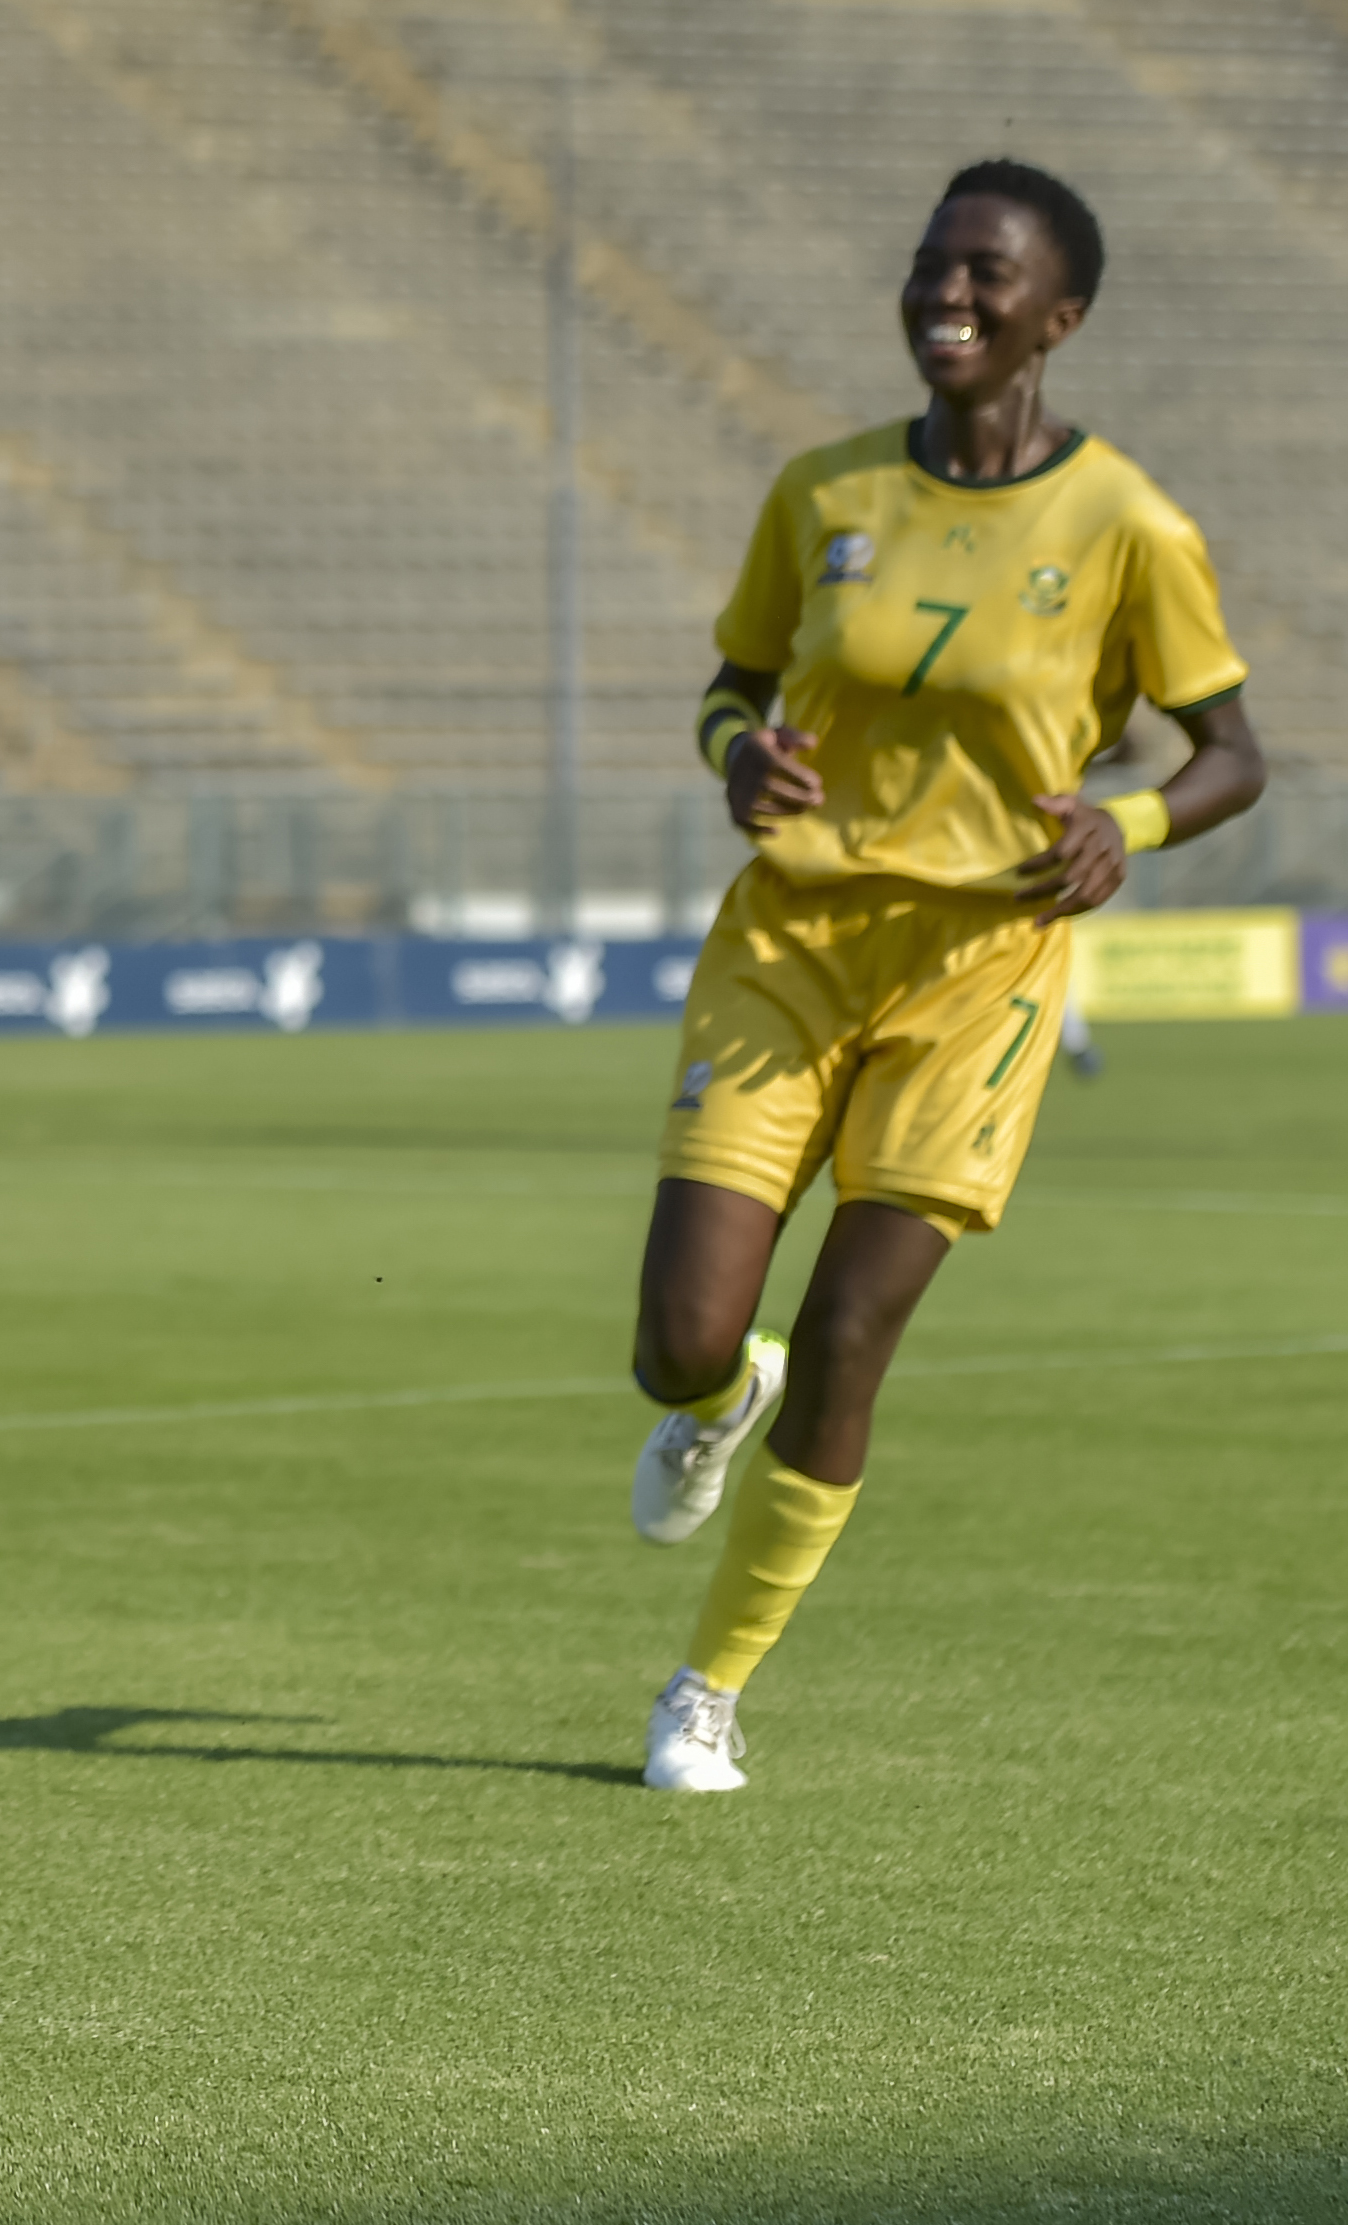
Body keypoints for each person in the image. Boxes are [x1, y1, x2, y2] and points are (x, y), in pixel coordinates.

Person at [625, 159, 1263, 1793]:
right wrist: (737, 760)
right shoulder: (822, 494)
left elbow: (1230, 755)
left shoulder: (1126, 523)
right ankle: (717, 1394)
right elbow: (727, 690)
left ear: (1059, 314)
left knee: (849, 1333)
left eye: (985, 274)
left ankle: (706, 1687)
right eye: (929, 267)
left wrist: (1125, 822)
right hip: (792, 942)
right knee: (680, 1342)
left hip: (980, 970)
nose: (947, 295)